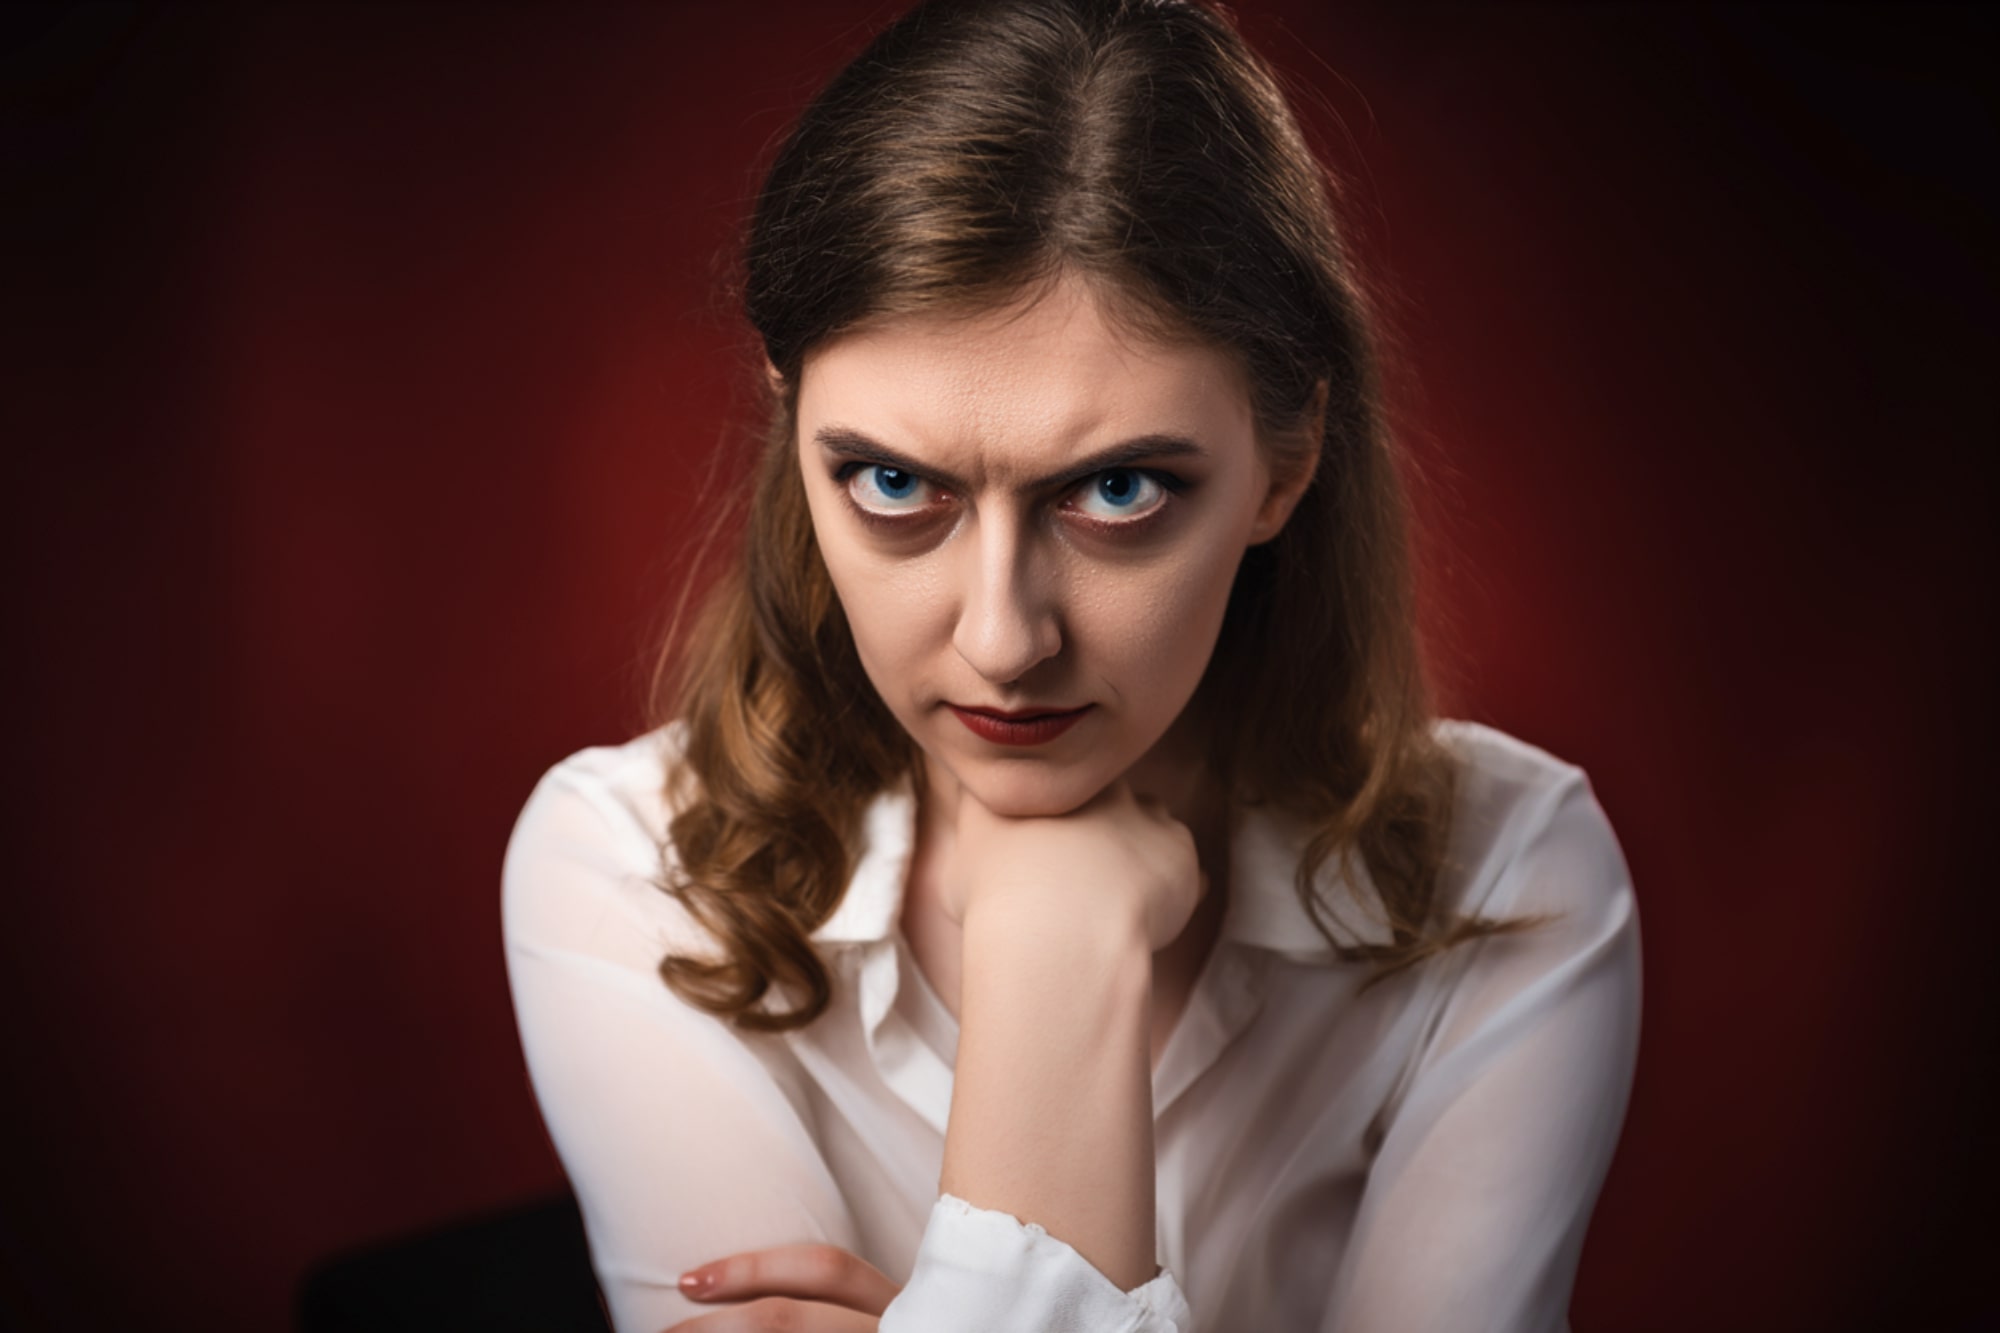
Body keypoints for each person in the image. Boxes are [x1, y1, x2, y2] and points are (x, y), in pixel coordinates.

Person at [501, 0, 1643, 1329]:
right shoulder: (640, 867)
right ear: (788, 414)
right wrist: (1069, 942)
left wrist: (1045, 956)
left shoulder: (1511, 880)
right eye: (889, 481)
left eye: (1115, 490)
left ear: (1287, 461)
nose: (1003, 639)